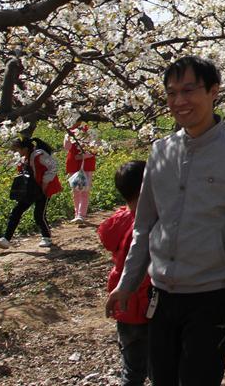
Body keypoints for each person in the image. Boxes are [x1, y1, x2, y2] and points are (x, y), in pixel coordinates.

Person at [106, 56, 225, 384]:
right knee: (162, 378)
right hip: (161, 292)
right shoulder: (160, 151)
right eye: (171, 93)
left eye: (189, 90)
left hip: (211, 296)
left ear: (213, 92)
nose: (179, 101)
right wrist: (127, 282)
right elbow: (145, 226)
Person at [99, 160, 152, 386]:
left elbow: (105, 236)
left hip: (124, 306)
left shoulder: (117, 220)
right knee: (159, 367)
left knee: (131, 369)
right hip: (148, 305)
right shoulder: (149, 222)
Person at [0, 136, 62, 249]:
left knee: (39, 215)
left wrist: (45, 182)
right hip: (30, 189)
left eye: (18, 149)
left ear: (25, 148)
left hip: (43, 189)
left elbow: (53, 166)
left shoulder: (39, 154)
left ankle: (46, 237)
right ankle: (6, 239)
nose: (16, 151)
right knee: (16, 211)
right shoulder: (26, 157)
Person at [64, 121, 97, 224]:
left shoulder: (89, 132)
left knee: (84, 190)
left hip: (85, 164)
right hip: (73, 163)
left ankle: (81, 215)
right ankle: (77, 214)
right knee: (75, 190)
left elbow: (94, 149)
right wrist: (68, 136)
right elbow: (67, 147)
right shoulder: (68, 133)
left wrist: (83, 156)